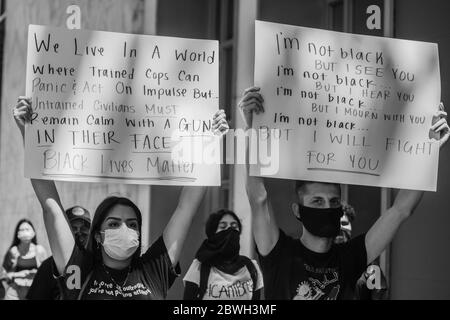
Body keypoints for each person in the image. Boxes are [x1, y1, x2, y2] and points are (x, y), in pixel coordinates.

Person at [239, 86, 449, 300]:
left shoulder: (351, 257)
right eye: (317, 201)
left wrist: (429, 154)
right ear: (298, 210)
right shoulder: (279, 253)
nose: (327, 207)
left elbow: (400, 210)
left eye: (334, 201)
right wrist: (251, 130)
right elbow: (258, 197)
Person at [13, 97, 229, 300]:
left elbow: (186, 208)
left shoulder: (154, 271)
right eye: (114, 223)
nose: (124, 229)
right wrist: (30, 135)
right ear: (98, 235)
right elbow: (51, 208)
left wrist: (212, 143)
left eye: (132, 224)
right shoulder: (78, 271)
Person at [183, 209, 263, 300]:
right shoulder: (199, 267)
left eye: (234, 226)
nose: (229, 230)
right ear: (213, 234)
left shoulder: (251, 267)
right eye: (223, 227)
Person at [26, 206, 91, 300]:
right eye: (73, 228)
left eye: (84, 228)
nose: (79, 232)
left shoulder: (99, 263)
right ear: (64, 231)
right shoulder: (49, 266)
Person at [1, 219, 48, 300]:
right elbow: (4, 275)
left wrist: (35, 273)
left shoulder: (40, 250)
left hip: (35, 291)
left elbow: (47, 273)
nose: (25, 232)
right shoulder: (13, 251)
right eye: (21, 230)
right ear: (17, 234)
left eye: (27, 229)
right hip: (14, 294)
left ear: (33, 232)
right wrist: (19, 274)